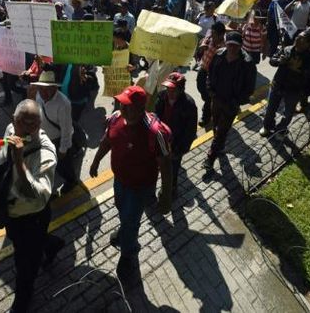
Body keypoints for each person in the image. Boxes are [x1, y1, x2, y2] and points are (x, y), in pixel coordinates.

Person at [89, 86, 172, 273]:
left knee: (131, 221)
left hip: (140, 188)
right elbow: (107, 141)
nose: (122, 108)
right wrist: (95, 161)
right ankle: (124, 231)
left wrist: (166, 196)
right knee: (122, 210)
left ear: (141, 108)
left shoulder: (154, 133)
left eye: (127, 106)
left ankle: (129, 254)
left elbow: (166, 166)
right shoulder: (116, 118)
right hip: (119, 181)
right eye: (121, 103)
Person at [0, 100, 63, 313]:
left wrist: (19, 161)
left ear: (40, 124)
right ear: (13, 120)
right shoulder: (10, 130)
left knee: (25, 264)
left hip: (32, 215)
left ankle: (23, 299)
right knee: (23, 243)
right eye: (21, 123)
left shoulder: (45, 151)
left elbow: (37, 197)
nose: (26, 129)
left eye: (33, 124)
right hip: (13, 212)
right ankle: (51, 243)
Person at [203, 31, 257, 173]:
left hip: (231, 103)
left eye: (235, 46)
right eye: (229, 45)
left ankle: (211, 157)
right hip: (216, 98)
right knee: (216, 126)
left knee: (222, 130)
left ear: (240, 46)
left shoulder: (247, 63)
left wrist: (237, 101)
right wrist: (210, 91)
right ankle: (219, 146)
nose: (232, 48)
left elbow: (249, 87)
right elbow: (210, 73)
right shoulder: (219, 54)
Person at [260, 31, 310, 136]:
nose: (297, 40)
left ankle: (280, 130)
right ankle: (267, 127)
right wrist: (279, 61)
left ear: (309, 44)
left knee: (288, 113)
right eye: (297, 37)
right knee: (270, 109)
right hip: (278, 85)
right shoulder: (287, 49)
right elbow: (272, 60)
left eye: (302, 39)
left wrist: (305, 93)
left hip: (294, 90)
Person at [29, 71, 77, 195]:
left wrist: (63, 150)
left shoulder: (63, 103)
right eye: (40, 89)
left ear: (55, 88)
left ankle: (71, 181)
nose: (43, 93)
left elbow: (66, 129)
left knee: (64, 166)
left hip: (58, 140)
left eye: (47, 90)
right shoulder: (38, 95)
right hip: (44, 137)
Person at [154, 73, 197, 195]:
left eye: (173, 89)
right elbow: (155, 118)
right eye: (168, 88)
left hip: (176, 145)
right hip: (160, 141)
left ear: (181, 89)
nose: (169, 92)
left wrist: (179, 151)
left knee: (172, 169)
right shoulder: (162, 96)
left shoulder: (189, 104)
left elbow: (190, 132)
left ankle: (171, 191)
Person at [197, 22, 226, 126]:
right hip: (202, 69)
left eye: (215, 34)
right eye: (212, 33)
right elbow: (203, 41)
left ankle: (206, 117)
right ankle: (208, 104)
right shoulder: (209, 38)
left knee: (208, 96)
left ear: (221, 35)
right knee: (201, 89)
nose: (212, 36)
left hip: (212, 75)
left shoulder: (223, 48)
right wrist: (202, 46)